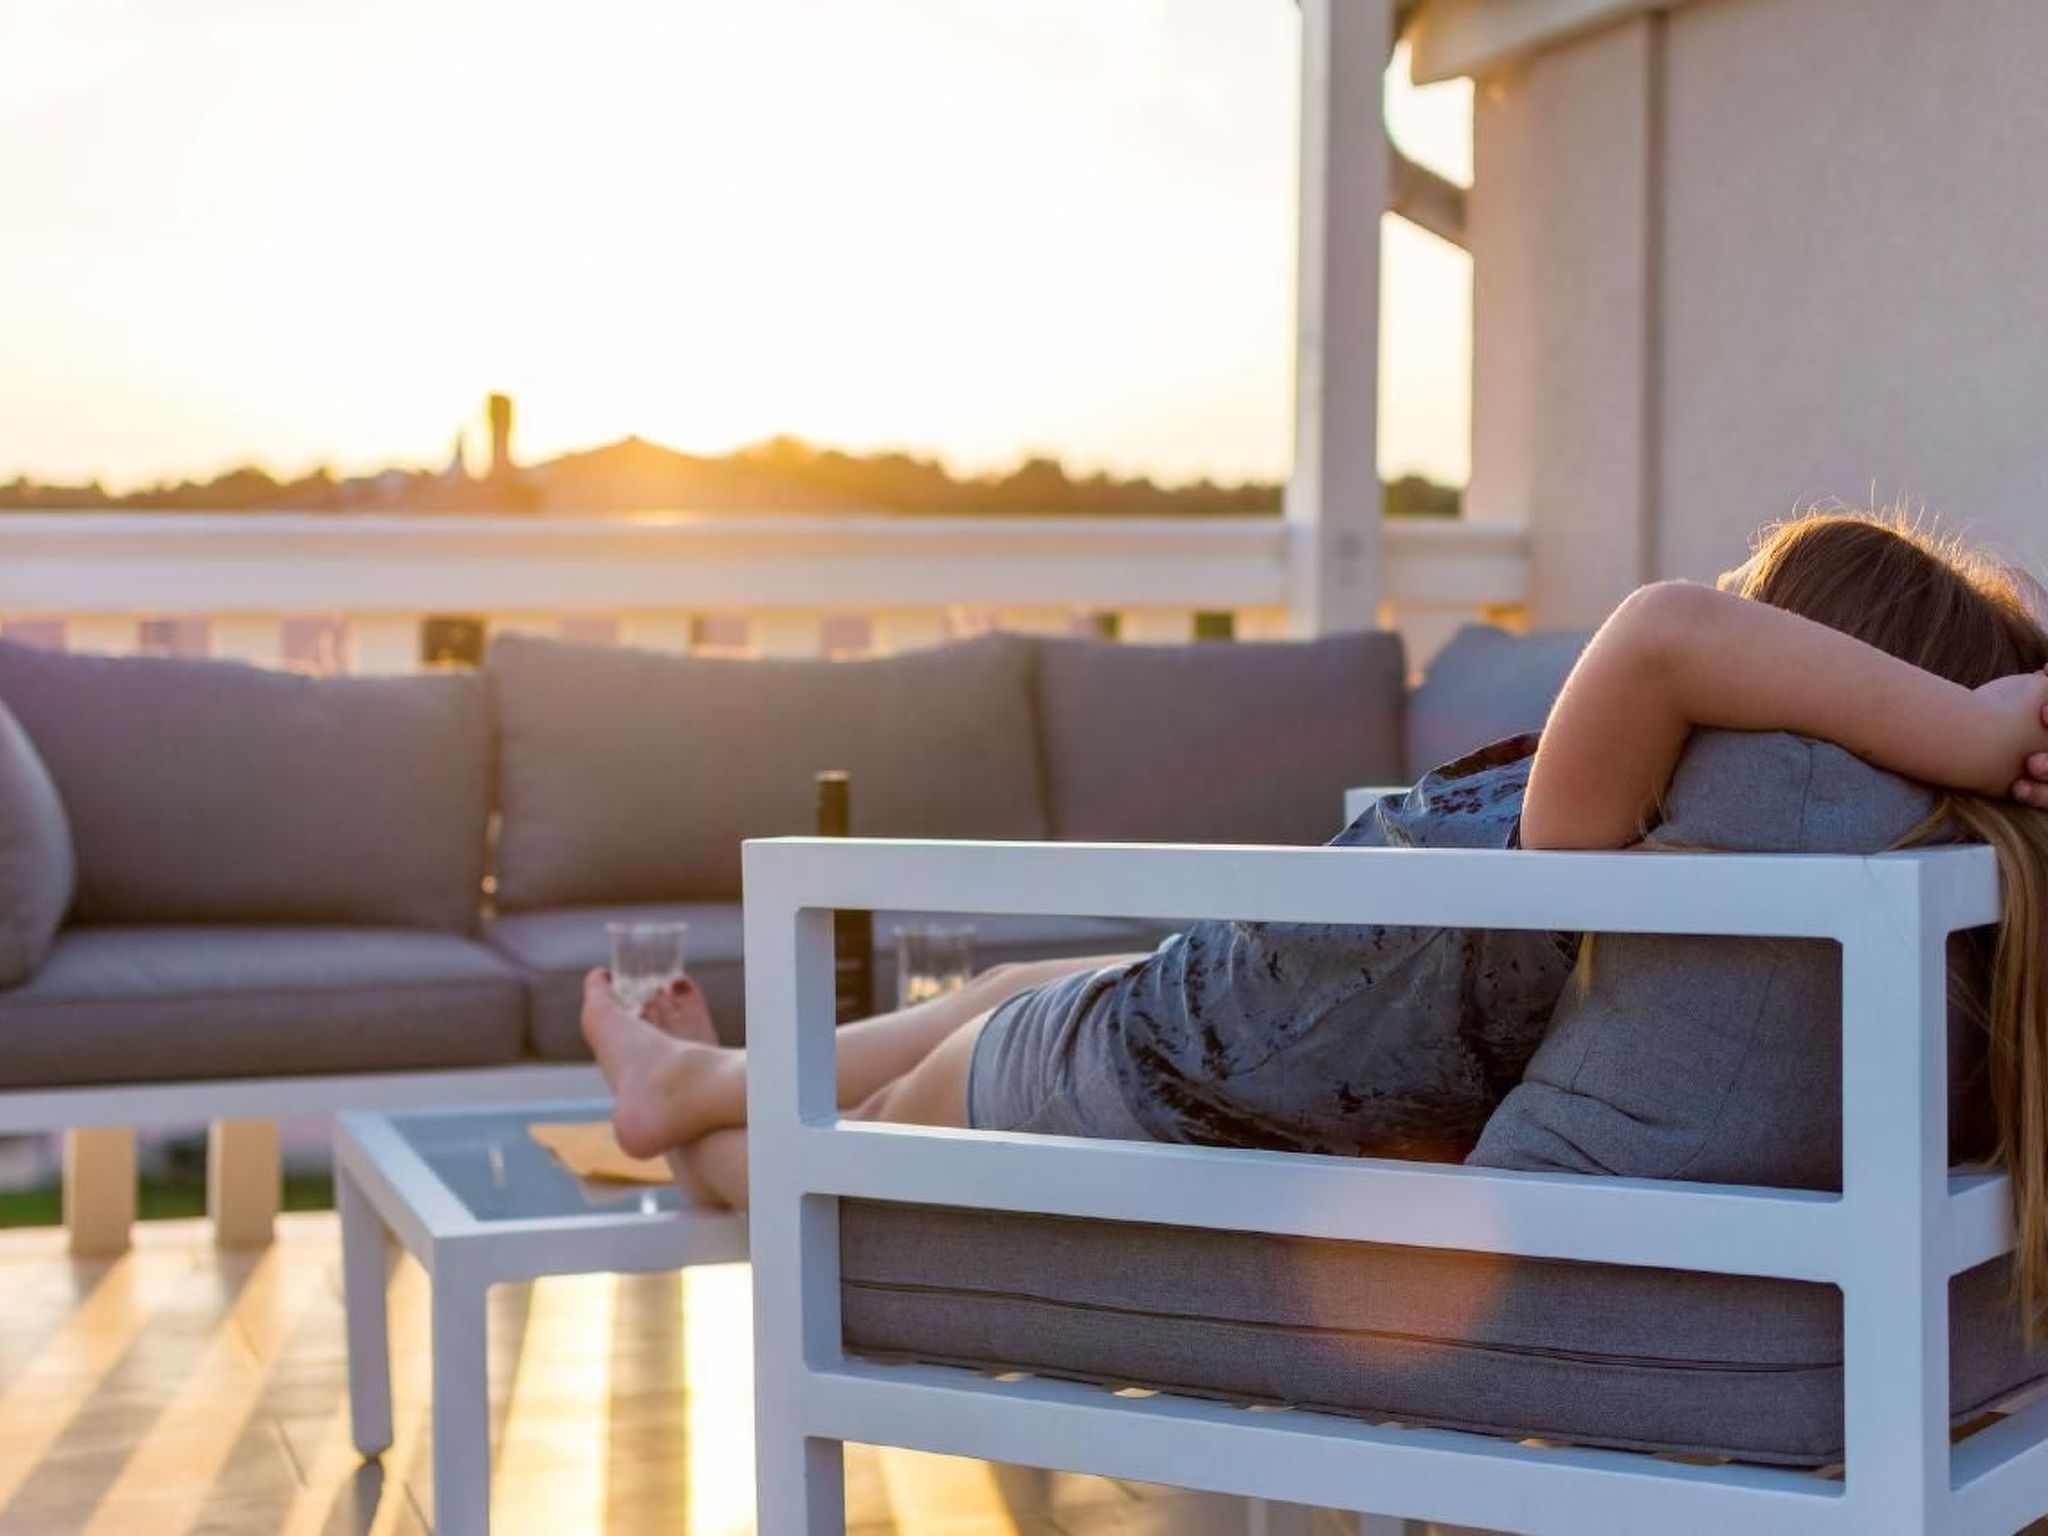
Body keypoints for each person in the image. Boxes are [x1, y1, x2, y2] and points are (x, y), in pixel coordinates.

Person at [582, 511, 2048, 1304]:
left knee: (845, 1164)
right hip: (1216, 1005)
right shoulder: (1679, 856)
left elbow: (1666, 629)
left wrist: (1976, 730)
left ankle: (692, 1121)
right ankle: (692, 1078)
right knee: (1001, 986)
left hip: (1155, 1078)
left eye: (1766, 616)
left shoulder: (1614, 839)